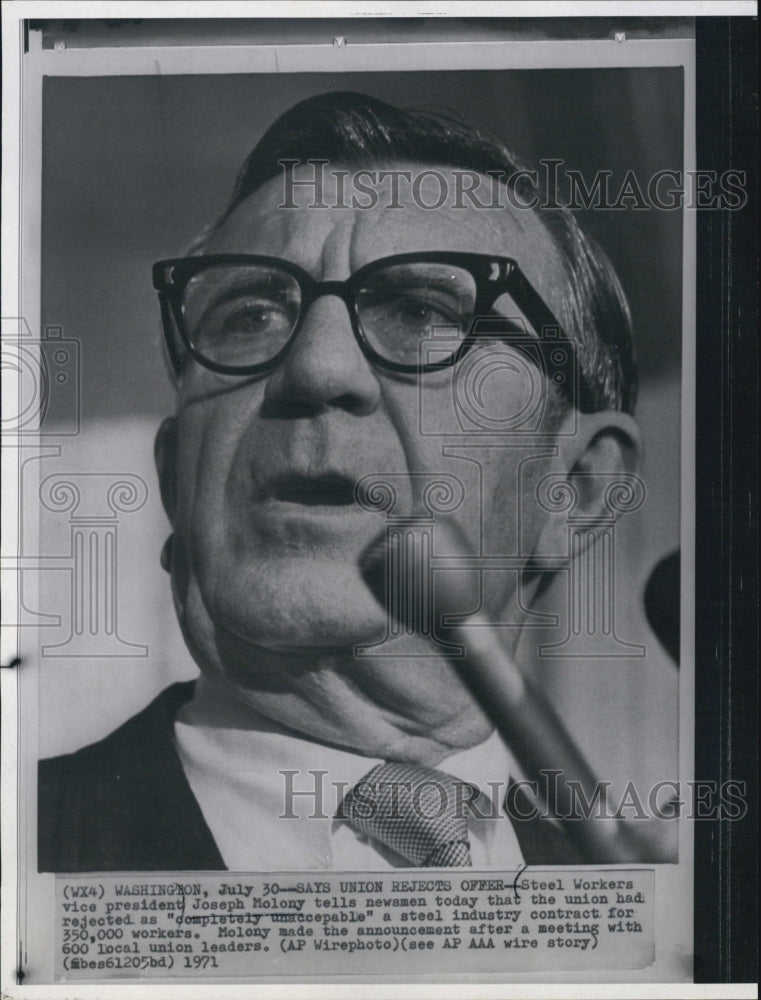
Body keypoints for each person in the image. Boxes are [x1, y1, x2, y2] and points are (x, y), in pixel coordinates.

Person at [39, 91, 657, 873]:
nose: (315, 368)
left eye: (421, 313)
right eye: (250, 316)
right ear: (173, 481)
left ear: (574, 489)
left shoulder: (659, 904)